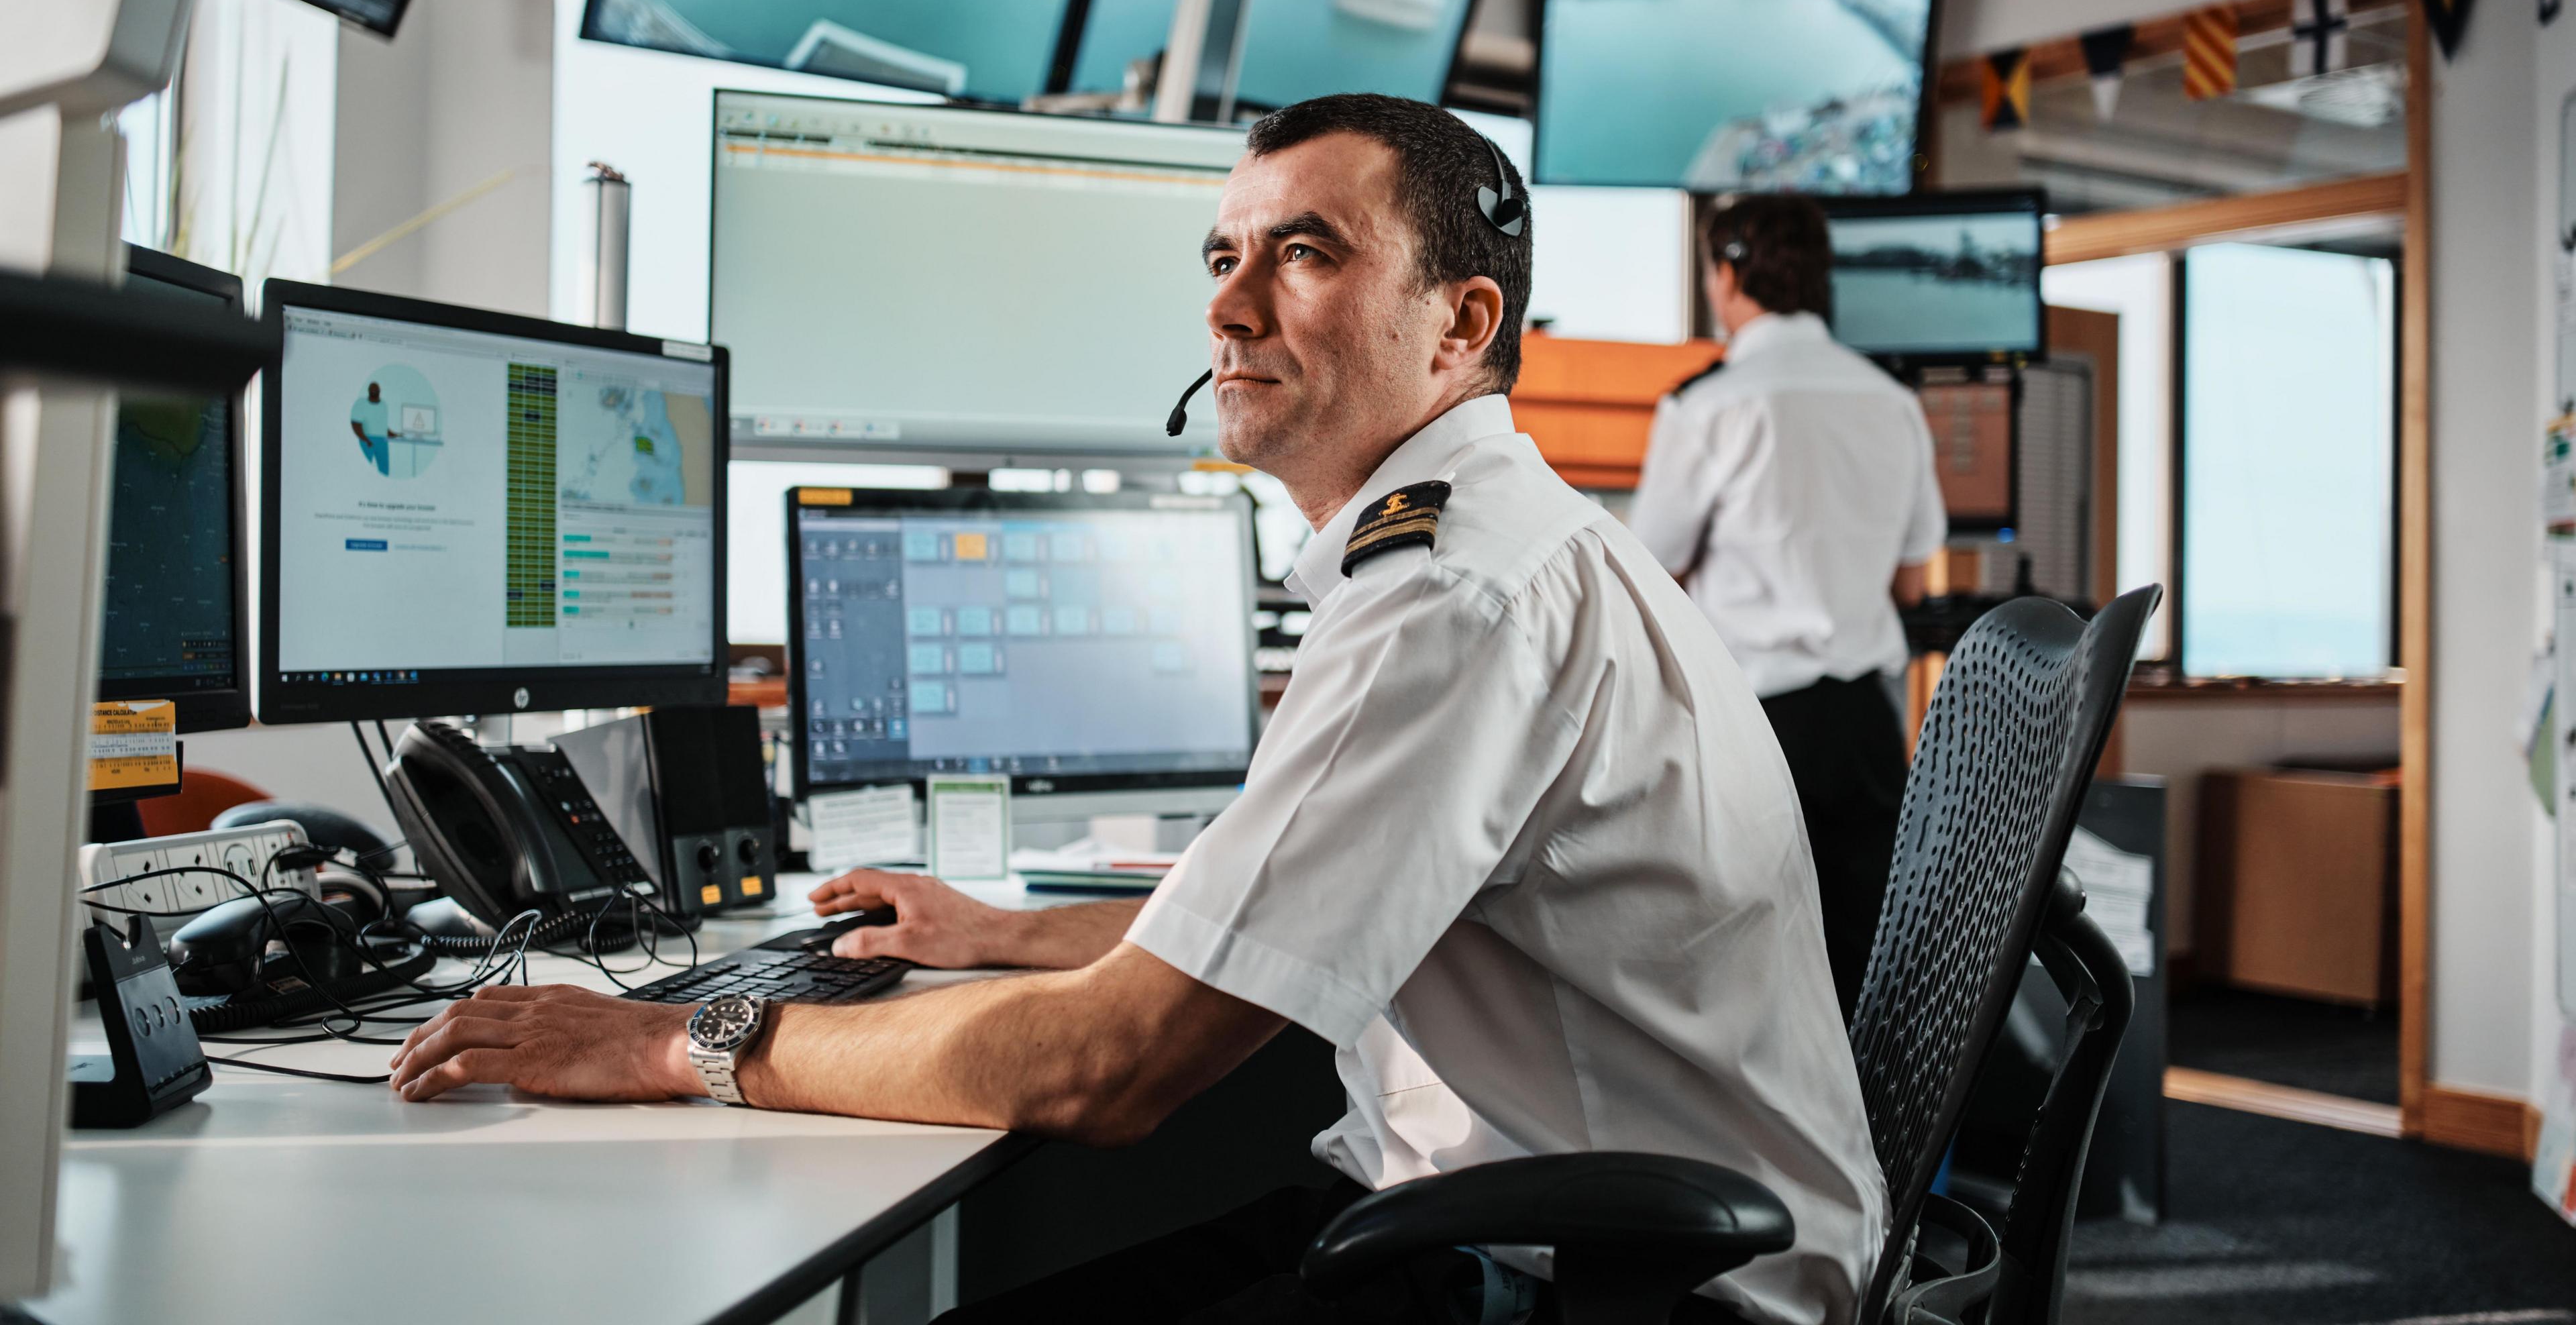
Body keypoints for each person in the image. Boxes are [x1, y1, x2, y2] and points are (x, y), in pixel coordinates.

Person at [388, 97, 1884, 1325]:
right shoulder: (1478, 542)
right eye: (1221, 253)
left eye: (1304, 255)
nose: (1229, 305)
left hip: (1635, 1294)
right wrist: (998, 932)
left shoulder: (1449, 596)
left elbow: (1103, 1066)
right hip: (1572, 1235)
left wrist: (671, 1045)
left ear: (1457, 323)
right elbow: (1268, 916)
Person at [1625, 195, 1947, 1022]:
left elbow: (1647, 574)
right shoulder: (1893, 401)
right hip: (1872, 732)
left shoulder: (1706, 405)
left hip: (1761, 725)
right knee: (1864, 981)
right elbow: (1912, 587)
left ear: (1729, 275)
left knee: (1758, 983)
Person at [350, 380, 393, 475]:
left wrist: (393, 434)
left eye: (376, 391)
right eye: (372, 391)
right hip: (367, 439)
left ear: (379, 392)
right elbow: (356, 424)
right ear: (369, 391)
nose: (374, 393)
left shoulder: (383, 405)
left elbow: (381, 425)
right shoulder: (362, 404)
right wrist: (365, 439)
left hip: (382, 440)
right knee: (364, 469)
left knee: (384, 470)